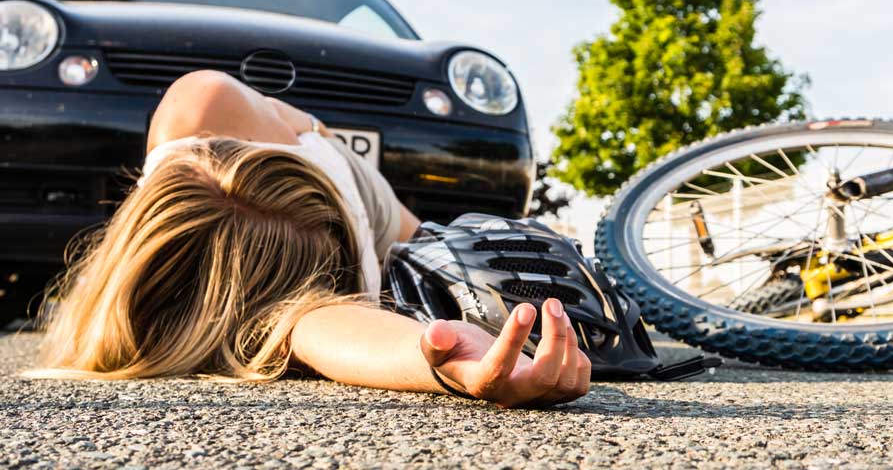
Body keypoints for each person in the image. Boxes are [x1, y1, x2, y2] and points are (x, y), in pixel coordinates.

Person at [27, 70, 590, 408]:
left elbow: (310, 323)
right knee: (432, 246)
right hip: (357, 205)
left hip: (333, 173)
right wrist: (444, 359)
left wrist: (316, 134)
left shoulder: (200, 106)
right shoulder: (291, 309)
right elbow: (320, 327)